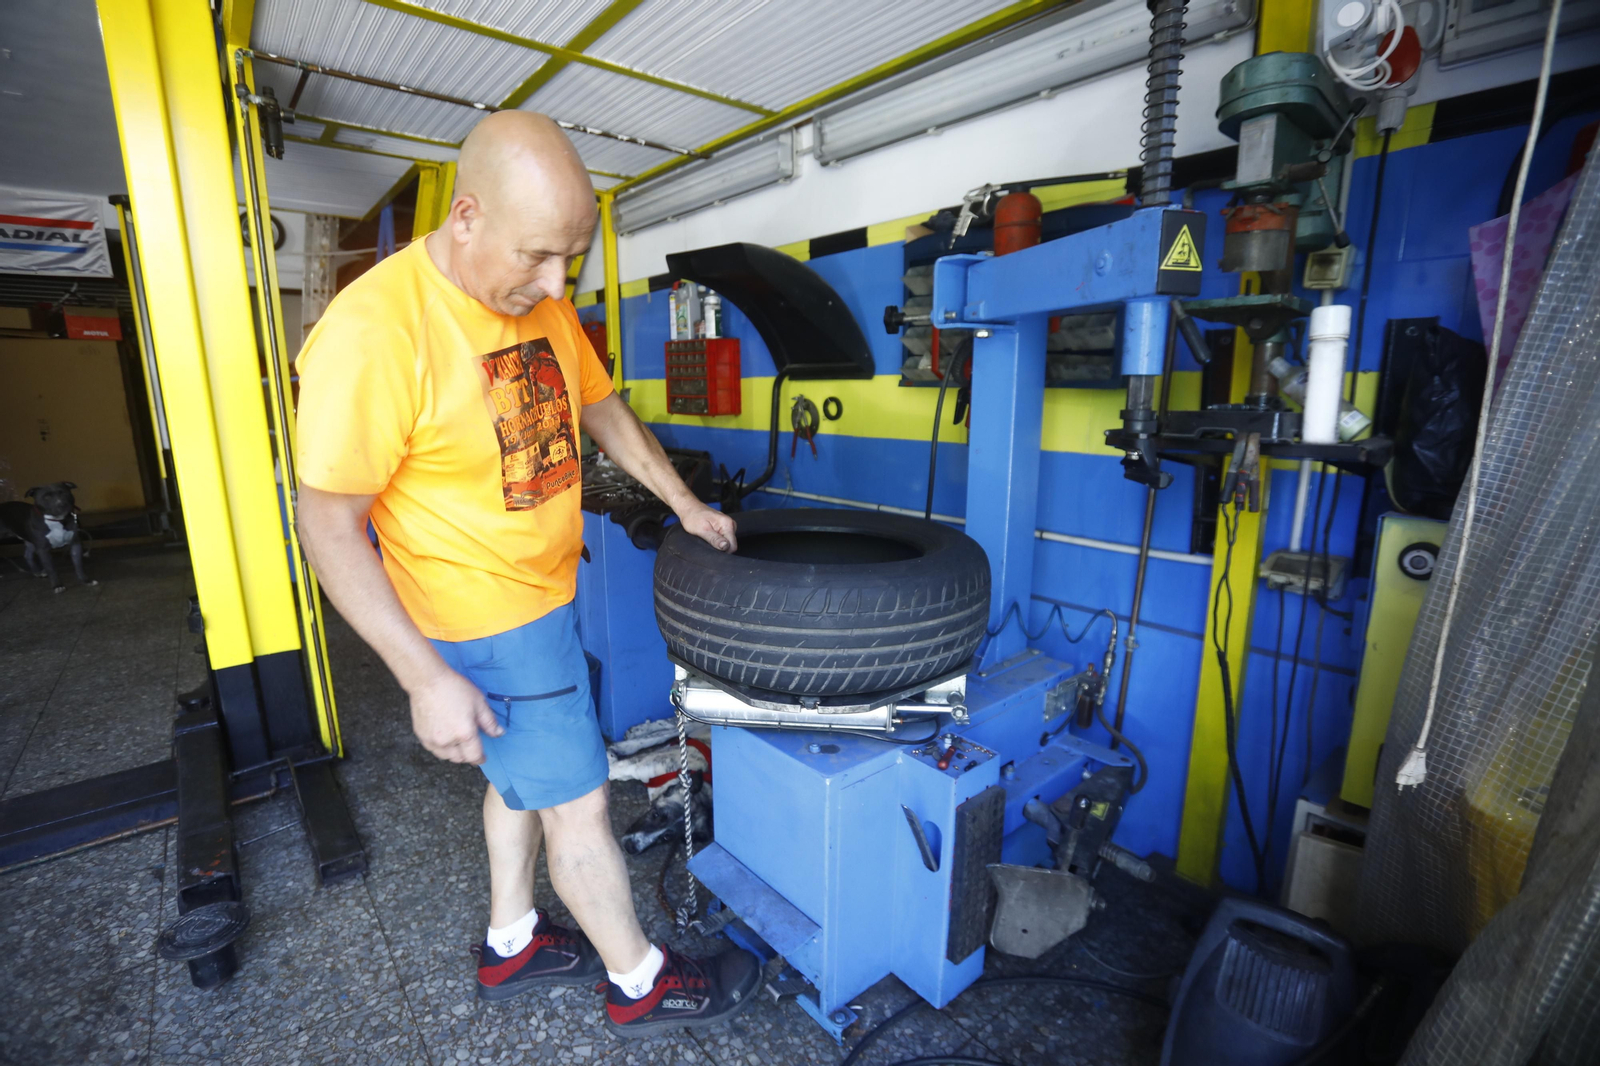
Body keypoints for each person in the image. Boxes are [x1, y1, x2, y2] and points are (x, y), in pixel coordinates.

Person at [294, 111, 758, 1039]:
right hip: (487, 614)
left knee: (520, 780)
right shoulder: (377, 332)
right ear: (465, 217)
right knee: (578, 806)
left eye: (571, 262)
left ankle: (512, 942)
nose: (554, 285)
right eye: (537, 256)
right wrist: (424, 679)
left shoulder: (532, 299)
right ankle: (643, 982)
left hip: (539, 596)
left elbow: (601, 405)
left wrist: (683, 504)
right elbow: (326, 521)